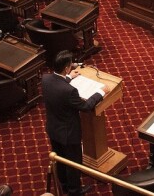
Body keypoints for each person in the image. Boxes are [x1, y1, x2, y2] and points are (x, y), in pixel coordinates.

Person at [42, 50, 110, 196]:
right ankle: (75, 192)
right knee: (73, 163)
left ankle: (65, 186)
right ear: (67, 68)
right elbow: (85, 107)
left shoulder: (45, 79)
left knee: (59, 159)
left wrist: (68, 78)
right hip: (69, 134)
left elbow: (57, 86)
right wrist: (101, 92)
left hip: (53, 129)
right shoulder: (69, 91)